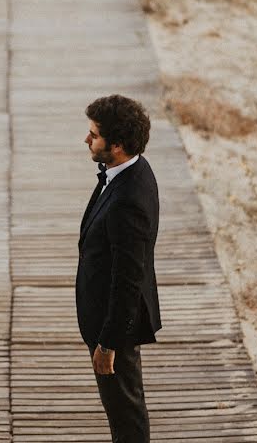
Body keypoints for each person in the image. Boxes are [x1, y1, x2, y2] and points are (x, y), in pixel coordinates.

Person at [76, 95, 162, 443]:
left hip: (116, 326)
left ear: (119, 145)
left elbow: (129, 278)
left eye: (94, 135)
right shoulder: (129, 170)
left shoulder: (130, 199)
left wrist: (108, 343)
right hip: (106, 318)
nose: (87, 140)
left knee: (126, 414)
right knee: (123, 408)